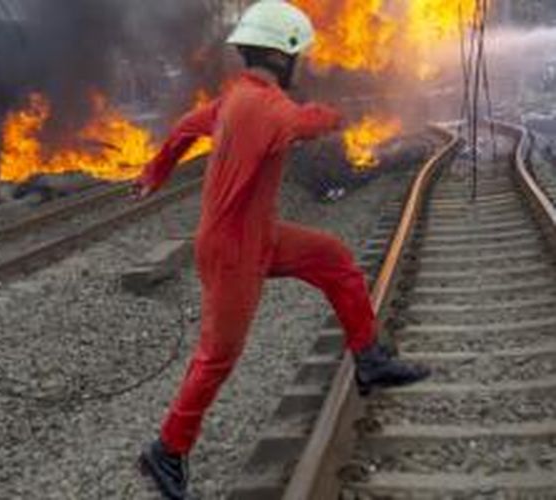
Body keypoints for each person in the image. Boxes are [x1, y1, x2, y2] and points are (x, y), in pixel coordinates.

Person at [135, 2, 430, 498]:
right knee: (218, 356)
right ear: (284, 55)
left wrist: (155, 172)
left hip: (257, 235)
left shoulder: (235, 99)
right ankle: (166, 450)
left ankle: (369, 357)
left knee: (333, 257)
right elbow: (305, 122)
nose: (305, 65)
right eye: (302, 56)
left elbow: (186, 128)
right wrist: (345, 113)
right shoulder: (266, 107)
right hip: (234, 251)